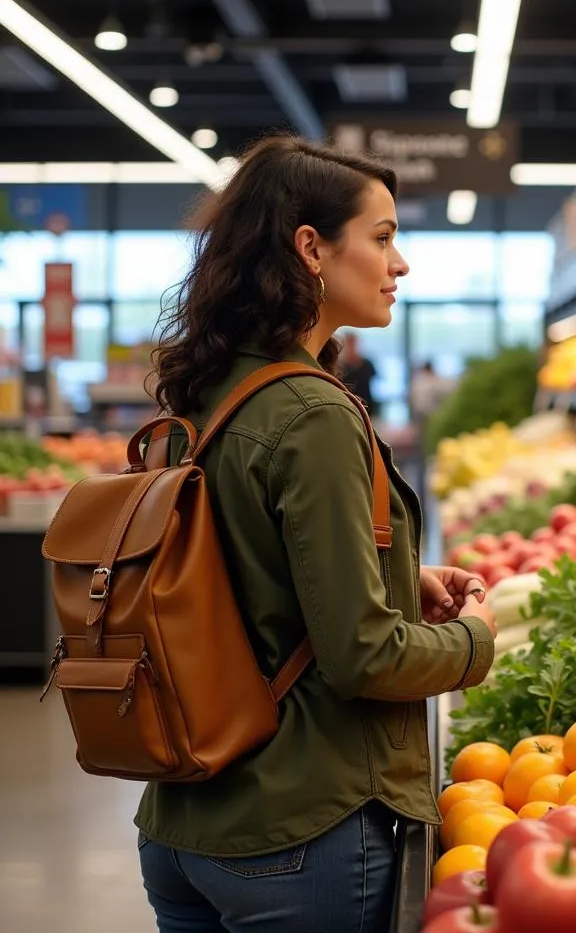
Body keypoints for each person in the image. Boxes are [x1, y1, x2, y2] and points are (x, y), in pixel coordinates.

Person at [139, 135, 497, 932]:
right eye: (382, 237)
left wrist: (400, 576)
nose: (399, 263)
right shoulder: (315, 413)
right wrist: (476, 641)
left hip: (183, 820)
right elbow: (361, 655)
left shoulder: (205, 390)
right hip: (302, 831)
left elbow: (245, 572)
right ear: (311, 248)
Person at [338, 330, 379, 419]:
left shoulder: (367, 364)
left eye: (353, 343)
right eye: (349, 344)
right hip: (348, 408)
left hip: (367, 406)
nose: (351, 347)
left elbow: (376, 382)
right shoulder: (339, 367)